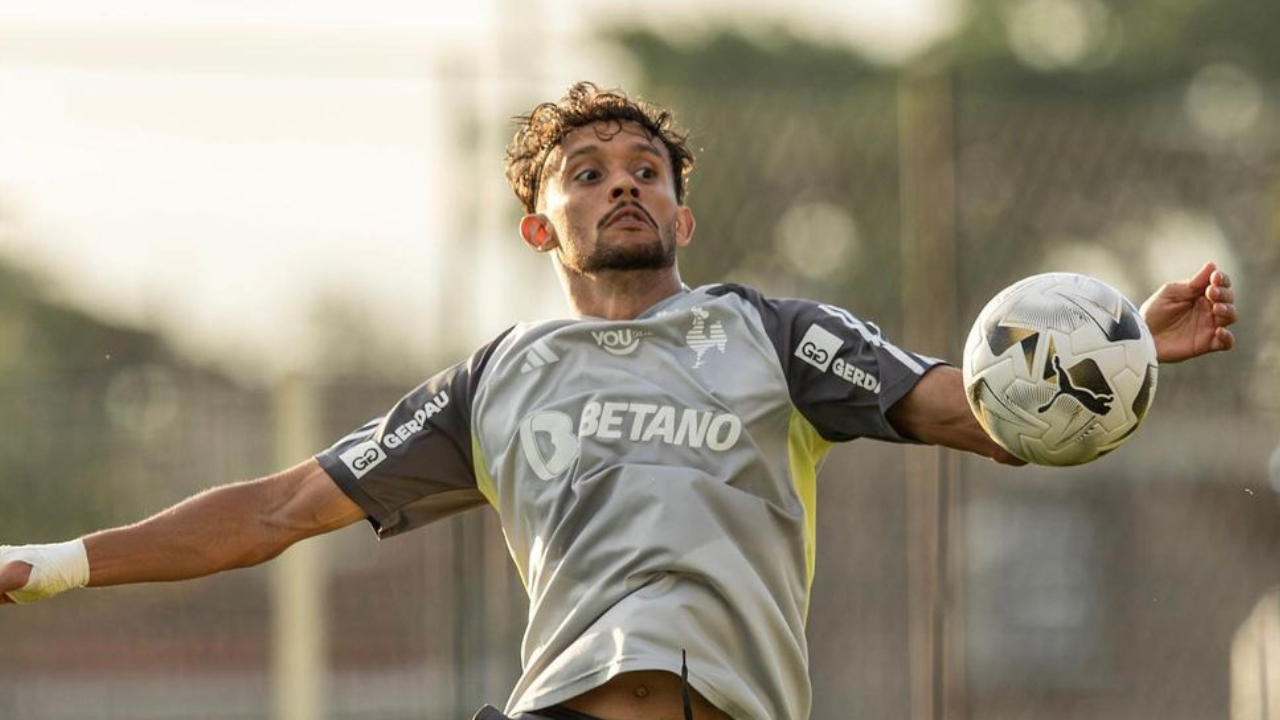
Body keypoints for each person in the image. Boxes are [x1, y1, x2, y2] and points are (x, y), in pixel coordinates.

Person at [0, 82, 1239, 720]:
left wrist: (1115, 342)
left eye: (646, 170)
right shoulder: (494, 381)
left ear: (684, 212)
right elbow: (274, 510)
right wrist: (47, 565)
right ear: (542, 223)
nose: (623, 186)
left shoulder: (772, 335)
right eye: (586, 174)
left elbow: (968, 410)